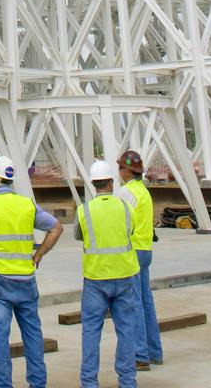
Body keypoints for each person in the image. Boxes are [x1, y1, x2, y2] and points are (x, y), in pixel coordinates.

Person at [0, 154, 63, 388]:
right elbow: (56, 228)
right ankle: (38, 384)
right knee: (33, 336)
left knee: (0, 337)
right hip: (27, 279)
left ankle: (3, 385)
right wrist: (38, 255)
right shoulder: (26, 204)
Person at [75, 159, 138, 388]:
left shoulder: (84, 211)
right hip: (124, 275)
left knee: (91, 332)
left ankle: (89, 383)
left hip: (95, 278)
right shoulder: (126, 208)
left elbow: (79, 235)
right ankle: (128, 381)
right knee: (126, 331)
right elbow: (129, 232)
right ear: (111, 182)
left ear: (94, 184)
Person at [118, 150, 162, 371]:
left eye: (120, 169)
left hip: (132, 252)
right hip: (146, 250)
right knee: (146, 302)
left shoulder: (126, 193)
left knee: (133, 304)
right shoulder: (144, 192)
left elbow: (116, 221)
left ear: (126, 171)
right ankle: (155, 351)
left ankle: (140, 355)